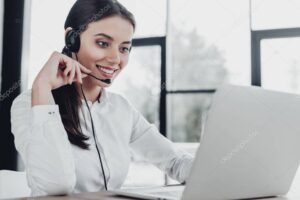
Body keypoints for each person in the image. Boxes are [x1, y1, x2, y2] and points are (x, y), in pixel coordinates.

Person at [10, 0, 193, 196]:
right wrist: (42, 86)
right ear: (72, 39)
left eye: (124, 48)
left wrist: (218, 169)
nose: (115, 59)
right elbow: (55, 186)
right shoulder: (31, 104)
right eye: (103, 43)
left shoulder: (121, 108)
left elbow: (175, 161)